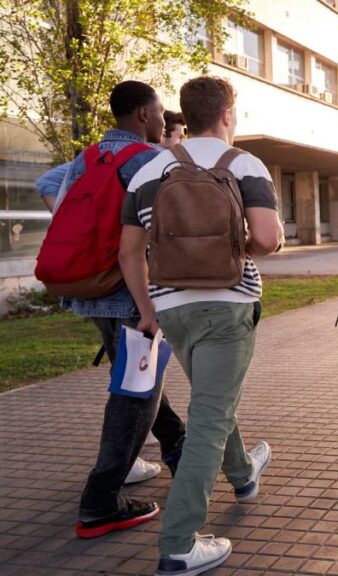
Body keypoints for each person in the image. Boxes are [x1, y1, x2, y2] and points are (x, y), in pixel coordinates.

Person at [120, 75, 284, 576]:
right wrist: (230, 249)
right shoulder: (245, 165)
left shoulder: (149, 169)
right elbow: (269, 238)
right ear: (228, 114)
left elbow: (129, 251)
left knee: (215, 401)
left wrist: (148, 310)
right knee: (210, 417)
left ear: (184, 116)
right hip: (228, 306)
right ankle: (179, 543)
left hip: (172, 309)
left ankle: (243, 471)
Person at [53, 81, 188, 539]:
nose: (163, 118)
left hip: (92, 287)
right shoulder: (151, 160)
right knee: (135, 397)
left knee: (140, 379)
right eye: (159, 110)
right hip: (132, 292)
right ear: (144, 115)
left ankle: (178, 447)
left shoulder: (89, 157)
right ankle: (99, 502)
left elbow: (45, 184)